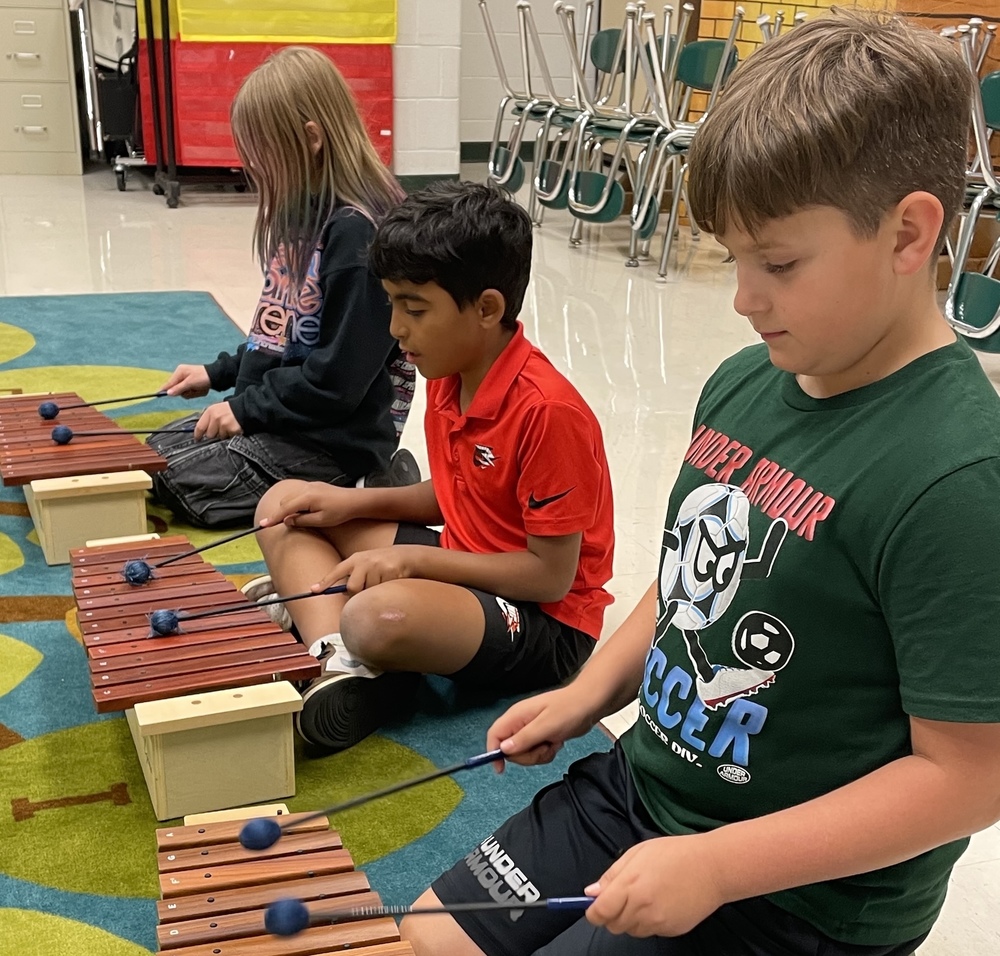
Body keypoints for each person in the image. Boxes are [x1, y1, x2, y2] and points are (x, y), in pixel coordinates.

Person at [401, 13, 1000, 956]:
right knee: (423, 943)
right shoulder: (743, 384)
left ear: (908, 235)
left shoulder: (960, 480)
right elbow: (683, 588)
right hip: (645, 792)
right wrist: (589, 692)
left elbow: (967, 779)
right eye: (732, 257)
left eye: (780, 264)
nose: (742, 298)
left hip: (801, 899)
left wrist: (718, 867)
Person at [252, 181, 615, 753]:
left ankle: (355, 638)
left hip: (545, 622)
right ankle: (340, 664)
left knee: (374, 616)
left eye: (413, 309)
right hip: (461, 564)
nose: (396, 328)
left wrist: (413, 559)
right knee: (283, 509)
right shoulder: (448, 371)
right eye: (393, 303)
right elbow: (457, 495)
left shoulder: (548, 413)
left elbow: (551, 577)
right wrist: (350, 501)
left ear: (487, 308)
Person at [147, 46, 417, 529]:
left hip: (332, 442)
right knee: (154, 454)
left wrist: (247, 409)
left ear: (311, 138)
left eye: (260, 152)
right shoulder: (305, 216)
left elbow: (337, 384)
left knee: (177, 483)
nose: (249, 166)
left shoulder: (358, 236)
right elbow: (279, 335)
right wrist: (219, 373)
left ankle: (369, 486)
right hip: (287, 421)